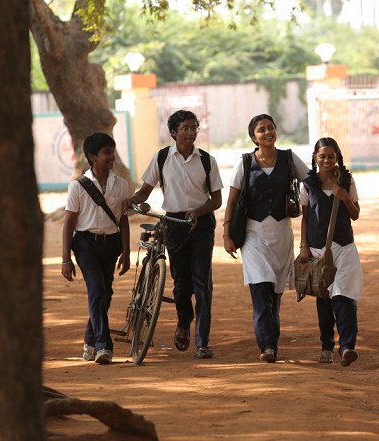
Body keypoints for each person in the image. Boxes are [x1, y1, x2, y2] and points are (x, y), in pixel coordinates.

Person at [124, 110, 223, 359]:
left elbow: (217, 200)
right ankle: (183, 322)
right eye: (185, 128)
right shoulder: (162, 158)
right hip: (174, 224)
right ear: (173, 132)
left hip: (201, 225)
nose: (190, 132)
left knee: (202, 284)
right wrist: (137, 201)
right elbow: (145, 190)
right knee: (180, 286)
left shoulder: (207, 160)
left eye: (194, 128)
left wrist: (197, 212)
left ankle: (202, 342)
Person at [223, 114, 310, 362]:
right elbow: (231, 201)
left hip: (282, 233)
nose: (267, 133)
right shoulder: (245, 163)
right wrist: (227, 233)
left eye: (271, 128)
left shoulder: (289, 158)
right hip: (253, 234)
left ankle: (270, 338)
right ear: (254, 137)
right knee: (260, 288)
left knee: (275, 292)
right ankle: (268, 346)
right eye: (261, 130)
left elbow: (311, 183)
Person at [61, 132, 131, 365]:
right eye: (106, 152)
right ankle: (103, 345)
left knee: (105, 293)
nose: (112, 156)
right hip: (85, 245)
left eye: (113, 151)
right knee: (97, 290)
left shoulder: (120, 185)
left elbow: (123, 220)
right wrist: (65, 259)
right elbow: (69, 222)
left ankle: (89, 339)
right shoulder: (78, 186)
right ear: (93, 157)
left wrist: (126, 252)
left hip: (111, 245)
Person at [297, 137, 363, 367]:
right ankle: (326, 346)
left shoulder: (347, 180)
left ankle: (347, 347)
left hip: (344, 246)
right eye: (322, 156)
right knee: (324, 300)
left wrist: (344, 196)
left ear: (338, 158)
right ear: (315, 157)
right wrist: (303, 246)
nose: (326, 160)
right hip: (316, 249)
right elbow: (305, 218)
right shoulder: (307, 185)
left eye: (331, 156)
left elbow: (355, 214)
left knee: (344, 296)